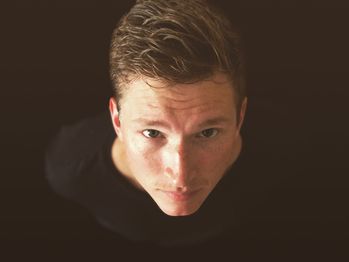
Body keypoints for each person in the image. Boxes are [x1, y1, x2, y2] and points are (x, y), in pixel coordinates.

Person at [45, 0, 247, 246]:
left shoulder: (282, 150)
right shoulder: (72, 170)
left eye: (207, 133)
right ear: (117, 121)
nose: (181, 176)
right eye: (152, 132)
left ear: (240, 117)